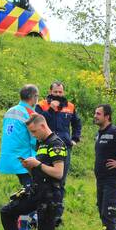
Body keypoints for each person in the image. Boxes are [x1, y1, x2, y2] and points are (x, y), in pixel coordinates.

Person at [0, 114, 67, 230]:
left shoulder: (56, 144)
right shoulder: (41, 143)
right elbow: (41, 171)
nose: (33, 135)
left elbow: (58, 173)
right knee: (7, 212)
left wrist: (37, 164)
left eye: (34, 131)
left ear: (43, 126)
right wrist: (30, 168)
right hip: (36, 191)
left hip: (50, 196)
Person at [0, 84, 40, 230]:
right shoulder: (30, 113)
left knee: (28, 190)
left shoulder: (10, 110)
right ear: (32, 97)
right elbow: (35, 138)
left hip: (10, 157)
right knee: (29, 194)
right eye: (37, 97)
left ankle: (31, 219)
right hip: (25, 159)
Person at [36, 80, 82, 221]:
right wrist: (51, 109)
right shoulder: (41, 105)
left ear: (63, 93)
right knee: (41, 178)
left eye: (60, 92)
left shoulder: (70, 106)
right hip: (45, 147)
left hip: (64, 148)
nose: (58, 94)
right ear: (50, 92)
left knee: (60, 180)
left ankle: (57, 215)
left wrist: (75, 138)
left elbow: (77, 123)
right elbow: (39, 122)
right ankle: (40, 212)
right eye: (55, 92)